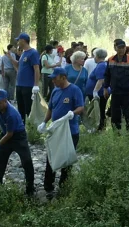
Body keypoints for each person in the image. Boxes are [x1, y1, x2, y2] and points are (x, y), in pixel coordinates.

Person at [37, 67, 84, 200]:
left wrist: (73, 113)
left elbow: (81, 107)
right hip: (55, 130)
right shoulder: (55, 91)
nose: (53, 81)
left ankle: (64, 187)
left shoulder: (74, 90)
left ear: (63, 77)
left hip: (70, 131)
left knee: (67, 159)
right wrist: (44, 122)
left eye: (55, 78)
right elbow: (51, 108)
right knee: (51, 157)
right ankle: (48, 186)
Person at [0, 89, 35, 196]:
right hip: (5, 133)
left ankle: (30, 189)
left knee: (27, 161)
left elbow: (10, 134)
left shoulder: (12, 114)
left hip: (18, 137)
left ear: (5, 101)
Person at [104, 40, 129, 132]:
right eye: (119, 48)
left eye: (123, 47)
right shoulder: (110, 59)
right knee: (115, 115)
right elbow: (107, 75)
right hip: (115, 92)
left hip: (128, 93)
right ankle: (117, 133)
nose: (121, 50)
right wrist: (105, 88)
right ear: (115, 48)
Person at [7, 33, 40, 124]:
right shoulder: (23, 53)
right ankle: (21, 126)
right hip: (19, 85)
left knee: (28, 108)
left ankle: (31, 127)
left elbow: (36, 69)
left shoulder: (33, 53)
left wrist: (36, 85)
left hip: (28, 86)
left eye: (19, 40)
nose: (17, 42)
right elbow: (18, 65)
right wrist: (10, 58)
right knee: (20, 108)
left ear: (23, 41)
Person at [84, 48, 108, 131]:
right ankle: (99, 126)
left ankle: (100, 127)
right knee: (99, 109)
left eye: (94, 56)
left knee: (99, 110)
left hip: (99, 93)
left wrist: (95, 91)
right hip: (98, 92)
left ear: (97, 56)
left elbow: (100, 79)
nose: (94, 57)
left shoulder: (101, 65)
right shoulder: (102, 64)